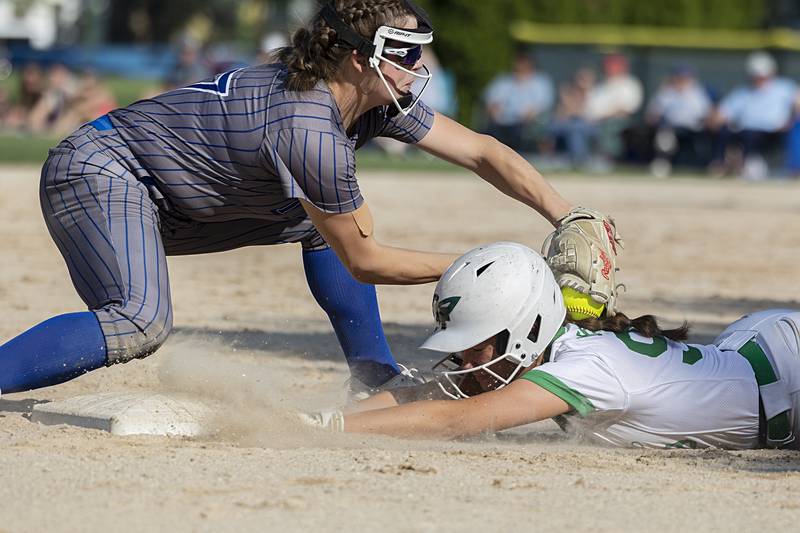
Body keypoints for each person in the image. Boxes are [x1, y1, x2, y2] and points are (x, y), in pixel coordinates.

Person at [0, 1, 611, 401]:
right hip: (102, 172)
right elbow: (366, 262)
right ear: (356, 58)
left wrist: (567, 214)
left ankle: (371, 377)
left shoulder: (362, 97)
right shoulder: (309, 125)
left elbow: (481, 151)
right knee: (138, 320)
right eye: (403, 54)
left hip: (175, 196)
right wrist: (494, 267)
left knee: (316, 221)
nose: (416, 67)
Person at [303, 242, 800, 450]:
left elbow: (453, 419)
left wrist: (333, 428)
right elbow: (429, 393)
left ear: (526, 328)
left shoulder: (580, 370)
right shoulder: (554, 346)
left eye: (478, 344)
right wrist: (318, 417)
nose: (468, 359)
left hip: (788, 378)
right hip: (760, 352)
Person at [708, 51, 798, 180]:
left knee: (750, 137)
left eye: (763, 76)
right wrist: (713, 118)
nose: (759, 79)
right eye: (756, 76)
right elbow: (722, 113)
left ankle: (743, 164)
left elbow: (797, 103)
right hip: (744, 129)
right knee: (724, 132)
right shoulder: (742, 93)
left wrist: (790, 120)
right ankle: (721, 165)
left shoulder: (784, 88)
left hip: (772, 131)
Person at [646, 65, 712, 176]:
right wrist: (654, 118)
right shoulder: (666, 92)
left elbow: (706, 113)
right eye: (679, 77)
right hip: (671, 128)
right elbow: (653, 112)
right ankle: (663, 162)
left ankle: (699, 165)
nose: (681, 81)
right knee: (664, 134)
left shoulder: (698, 93)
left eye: (685, 78)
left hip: (693, 128)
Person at [483, 51, 554, 153]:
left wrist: (529, 115)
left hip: (527, 122)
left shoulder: (540, 83)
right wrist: (494, 110)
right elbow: (492, 100)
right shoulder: (504, 81)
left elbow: (543, 104)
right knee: (494, 130)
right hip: (503, 121)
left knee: (519, 131)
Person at [583, 53, 643, 170]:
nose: (610, 70)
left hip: (619, 122)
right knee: (576, 127)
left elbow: (627, 109)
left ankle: (607, 159)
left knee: (608, 126)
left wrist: (605, 116)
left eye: (613, 67)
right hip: (594, 121)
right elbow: (589, 109)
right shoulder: (600, 85)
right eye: (608, 67)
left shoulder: (629, 84)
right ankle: (580, 159)